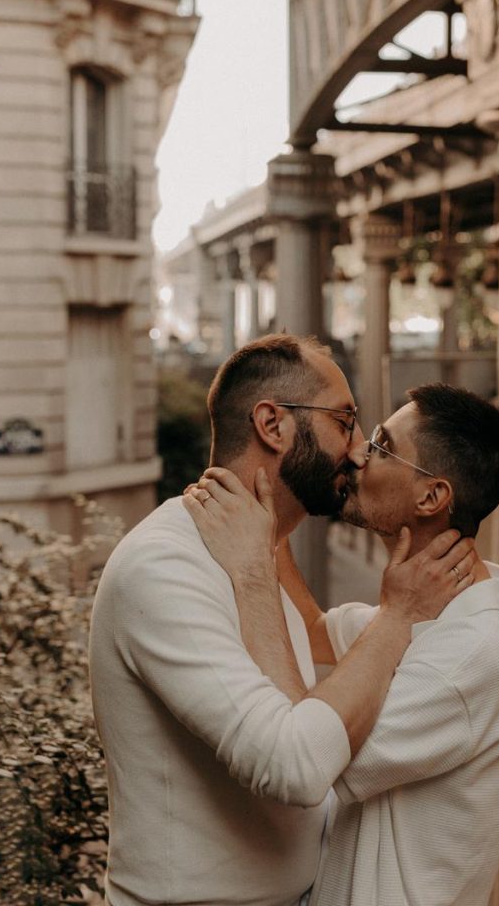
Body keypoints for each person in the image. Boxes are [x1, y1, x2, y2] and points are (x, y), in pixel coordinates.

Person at [89, 334, 476, 906]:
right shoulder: (165, 565)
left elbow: (312, 693)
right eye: (344, 421)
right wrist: (399, 615)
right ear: (273, 425)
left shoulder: (253, 553)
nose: (357, 451)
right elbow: (294, 766)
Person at [184, 383, 499, 906]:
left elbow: (308, 758)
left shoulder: (477, 655)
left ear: (432, 497)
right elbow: (310, 630)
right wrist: (269, 508)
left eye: (380, 445)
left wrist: (254, 569)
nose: (356, 454)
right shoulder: (425, 607)